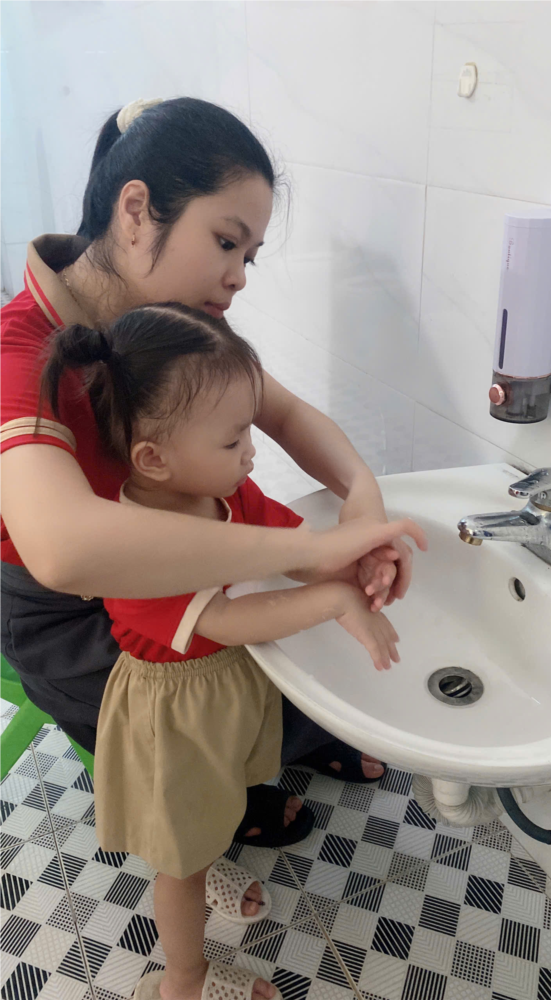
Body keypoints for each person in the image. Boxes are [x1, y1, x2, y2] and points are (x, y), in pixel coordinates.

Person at [0, 95, 416, 846]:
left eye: (247, 256)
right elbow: (62, 549)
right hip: (69, 612)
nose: (239, 277)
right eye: (226, 242)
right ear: (136, 212)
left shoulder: (175, 321)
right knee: (196, 712)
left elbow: (283, 412)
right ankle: (208, 810)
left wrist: (362, 495)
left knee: (306, 643)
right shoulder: (19, 349)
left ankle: (270, 751)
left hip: (184, 536)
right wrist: (312, 549)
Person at [40, 301, 426, 1000]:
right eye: (232, 439)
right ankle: (182, 979)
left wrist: (358, 562)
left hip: (219, 696)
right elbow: (224, 619)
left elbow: (298, 551)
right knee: (179, 864)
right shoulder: (131, 545)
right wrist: (336, 602)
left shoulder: (225, 491)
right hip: (173, 717)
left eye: (249, 429)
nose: (251, 451)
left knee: (210, 812)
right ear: (154, 458)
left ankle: (206, 846)